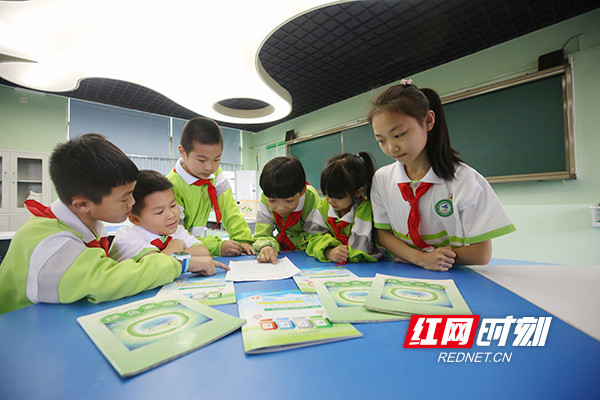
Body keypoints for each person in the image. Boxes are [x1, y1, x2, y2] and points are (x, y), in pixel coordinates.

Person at [0, 134, 204, 314]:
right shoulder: (53, 242)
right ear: (82, 205)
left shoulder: (88, 226)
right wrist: (179, 263)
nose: (132, 203)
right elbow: (106, 281)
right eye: (124, 198)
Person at [367, 80, 516, 272]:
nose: (391, 148)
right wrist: (419, 258)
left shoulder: (465, 181)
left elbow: (481, 253)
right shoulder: (381, 179)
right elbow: (383, 234)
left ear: (428, 121)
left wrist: (428, 259)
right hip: (401, 271)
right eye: (381, 140)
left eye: (399, 135)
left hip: (448, 274)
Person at [109, 170, 229, 276]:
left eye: (173, 205)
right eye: (159, 212)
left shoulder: (177, 230)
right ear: (135, 219)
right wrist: (176, 245)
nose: (171, 215)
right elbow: (158, 267)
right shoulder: (128, 238)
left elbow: (203, 253)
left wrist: (174, 255)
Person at [166, 117, 254, 257]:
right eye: (201, 160)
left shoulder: (215, 174)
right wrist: (217, 246)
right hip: (177, 249)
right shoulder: (171, 186)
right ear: (183, 152)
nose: (210, 167)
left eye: (216, 159)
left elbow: (229, 209)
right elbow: (176, 235)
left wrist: (242, 239)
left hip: (198, 245)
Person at [305, 152, 384, 264]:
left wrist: (339, 252)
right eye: (327, 194)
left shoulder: (366, 209)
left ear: (358, 192)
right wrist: (328, 251)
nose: (330, 200)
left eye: (338, 197)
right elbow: (313, 238)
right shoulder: (324, 205)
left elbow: (361, 248)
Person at [253, 156, 320, 264]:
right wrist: (265, 246)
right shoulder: (266, 196)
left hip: (307, 254)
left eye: (289, 201)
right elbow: (262, 234)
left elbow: (314, 236)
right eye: (272, 201)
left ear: (302, 191)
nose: (280, 208)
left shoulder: (310, 197)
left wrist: (281, 242)